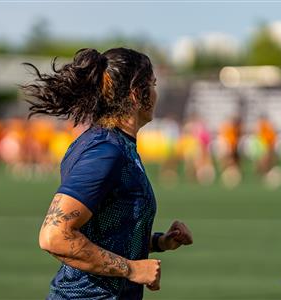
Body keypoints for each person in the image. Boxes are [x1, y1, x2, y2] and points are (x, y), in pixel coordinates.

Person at [21, 48, 193, 299]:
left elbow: (105, 232)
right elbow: (54, 236)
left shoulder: (117, 145)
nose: (156, 93)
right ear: (136, 93)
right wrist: (132, 269)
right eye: (153, 84)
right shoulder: (105, 151)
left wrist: (160, 242)